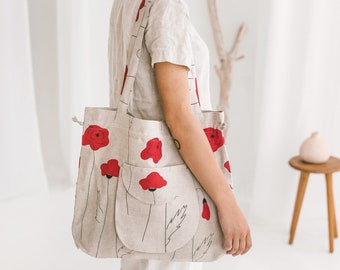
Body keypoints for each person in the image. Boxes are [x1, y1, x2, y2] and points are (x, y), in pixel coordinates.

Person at [108, 0, 252, 269]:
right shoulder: (167, 5)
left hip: (136, 182)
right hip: (173, 184)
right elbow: (179, 117)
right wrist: (227, 202)